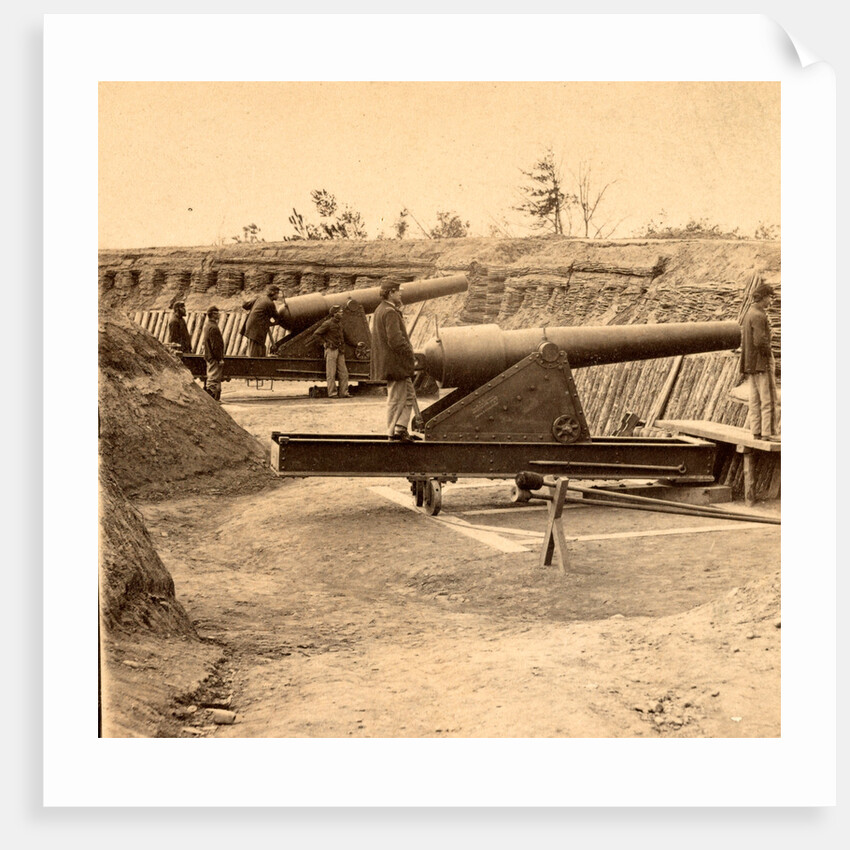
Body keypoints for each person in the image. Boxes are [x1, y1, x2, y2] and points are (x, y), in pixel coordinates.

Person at [370, 278, 419, 441]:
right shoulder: (390, 312)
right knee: (397, 398)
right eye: (398, 291)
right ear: (391, 293)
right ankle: (392, 432)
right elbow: (395, 340)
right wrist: (410, 354)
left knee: (408, 394)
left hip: (390, 363)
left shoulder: (380, 310)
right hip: (396, 364)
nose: (400, 294)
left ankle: (400, 428)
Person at [739, 282, 780, 441]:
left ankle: (756, 431)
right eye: (769, 297)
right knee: (768, 398)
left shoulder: (749, 313)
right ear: (763, 297)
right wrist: (768, 354)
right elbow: (760, 341)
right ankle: (769, 433)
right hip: (762, 363)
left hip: (751, 364)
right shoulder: (759, 315)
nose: (770, 301)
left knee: (755, 399)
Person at [311, 304, 359, 398]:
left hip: (340, 351)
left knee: (344, 373)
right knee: (331, 373)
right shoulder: (327, 324)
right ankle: (332, 393)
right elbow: (316, 334)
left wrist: (356, 344)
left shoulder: (339, 324)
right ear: (334, 314)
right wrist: (324, 343)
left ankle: (343, 393)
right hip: (331, 350)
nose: (342, 313)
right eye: (340, 312)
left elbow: (346, 337)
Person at [240, 284, 280, 356]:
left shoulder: (260, 298)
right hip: (256, 330)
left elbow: (245, 305)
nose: (278, 296)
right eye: (277, 293)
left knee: (259, 349)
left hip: (252, 327)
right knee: (255, 352)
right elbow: (277, 317)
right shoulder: (270, 303)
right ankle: (253, 365)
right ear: (273, 293)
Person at [203, 305, 225, 401]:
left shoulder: (208, 325)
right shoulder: (213, 327)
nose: (218, 315)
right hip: (214, 357)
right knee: (213, 378)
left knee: (213, 377)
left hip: (210, 356)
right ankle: (210, 399)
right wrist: (219, 358)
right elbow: (215, 345)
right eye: (216, 313)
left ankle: (214, 398)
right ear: (212, 314)